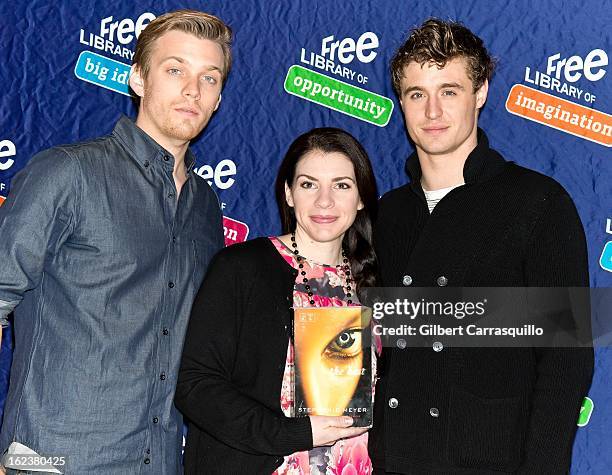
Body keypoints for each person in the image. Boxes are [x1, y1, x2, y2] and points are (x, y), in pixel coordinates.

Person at [0, 10, 231, 474]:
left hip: (158, 460)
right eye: (175, 70)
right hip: (51, 461)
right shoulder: (67, 173)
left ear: (219, 98)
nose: (193, 89)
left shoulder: (206, 207)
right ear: (139, 79)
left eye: (209, 77)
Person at [369, 18, 594, 474]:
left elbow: (567, 361)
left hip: (490, 461)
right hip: (394, 458)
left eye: (449, 91)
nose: (432, 112)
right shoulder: (386, 214)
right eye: (417, 94)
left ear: (481, 92)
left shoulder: (538, 202)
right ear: (401, 102)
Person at [175, 127, 378, 474]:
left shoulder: (375, 283)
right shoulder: (242, 268)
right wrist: (295, 433)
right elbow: (196, 387)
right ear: (288, 193)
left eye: (342, 185)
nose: (324, 201)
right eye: (308, 184)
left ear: (361, 197)